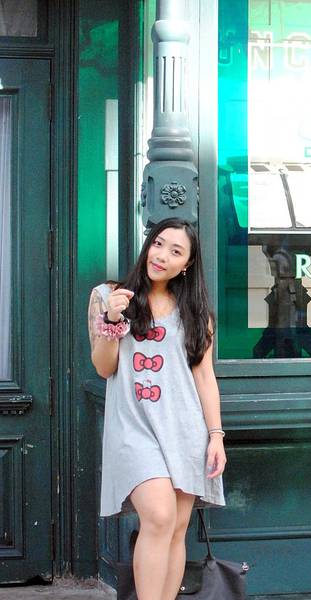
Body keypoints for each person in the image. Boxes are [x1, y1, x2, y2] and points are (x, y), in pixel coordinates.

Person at [87, 217, 226, 600]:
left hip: (185, 429)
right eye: (158, 243)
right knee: (160, 516)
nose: (162, 255)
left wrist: (216, 436)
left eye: (175, 251)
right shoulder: (109, 295)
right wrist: (112, 319)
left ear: (188, 264)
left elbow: (204, 378)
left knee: (176, 528)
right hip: (134, 427)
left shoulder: (196, 313)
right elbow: (103, 367)